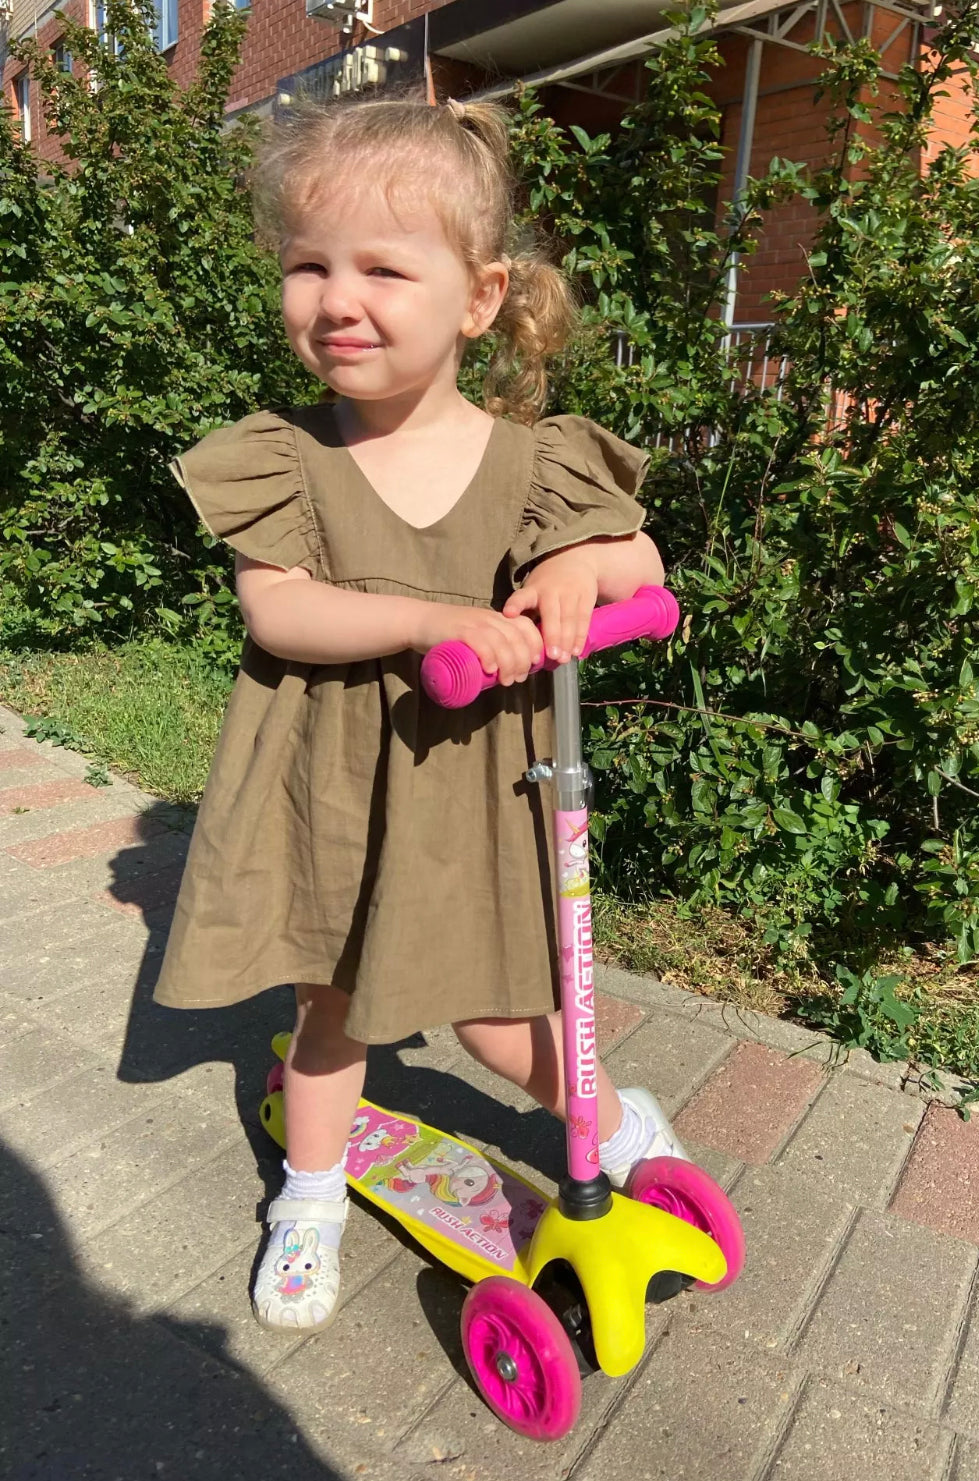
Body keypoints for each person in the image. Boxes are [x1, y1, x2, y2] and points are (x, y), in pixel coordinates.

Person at [154, 92, 691, 1333]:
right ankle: (310, 1191)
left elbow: (643, 565)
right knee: (327, 1010)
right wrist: (426, 618)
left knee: (511, 1020)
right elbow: (279, 613)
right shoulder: (286, 456)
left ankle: (610, 1120)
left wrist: (575, 570)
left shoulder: (536, 460)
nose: (338, 299)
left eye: (383, 268)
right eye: (309, 265)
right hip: (339, 787)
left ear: (481, 296)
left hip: (484, 795)